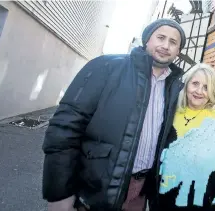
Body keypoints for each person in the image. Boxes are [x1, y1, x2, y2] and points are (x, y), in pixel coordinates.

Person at [42, 18, 186, 211]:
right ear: (147, 40)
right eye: (161, 37)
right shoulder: (107, 67)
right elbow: (65, 129)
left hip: (140, 192)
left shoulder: (175, 88)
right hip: (94, 192)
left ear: (178, 51)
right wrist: (59, 193)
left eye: (173, 42)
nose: (165, 45)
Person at [154, 63, 215, 211]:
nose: (199, 91)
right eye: (195, 83)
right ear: (187, 84)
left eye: (206, 87)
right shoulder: (171, 111)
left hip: (204, 203)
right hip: (164, 201)